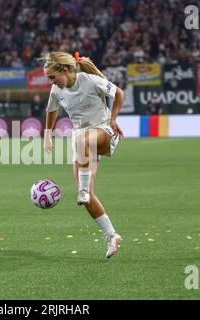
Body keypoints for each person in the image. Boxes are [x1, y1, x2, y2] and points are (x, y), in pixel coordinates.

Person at [39, 51, 125, 259]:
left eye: (52, 77)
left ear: (65, 70)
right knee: (85, 197)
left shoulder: (89, 80)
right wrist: (47, 135)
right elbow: (52, 111)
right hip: (83, 143)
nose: (51, 81)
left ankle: (84, 190)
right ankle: (111, 235)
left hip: (103, 132)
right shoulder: (56, 90)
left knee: (81, 141)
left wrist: (113, 119)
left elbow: (119, 93)